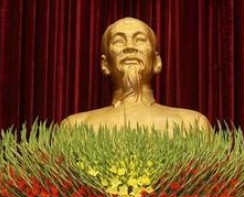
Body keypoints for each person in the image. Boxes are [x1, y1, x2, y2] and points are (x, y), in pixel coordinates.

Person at [61, 17, 210, 132]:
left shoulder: (192, 125)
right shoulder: (75, 127)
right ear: (105, 64)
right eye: (119, 41)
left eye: (139, 40)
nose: (130, 47)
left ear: (157, 61)